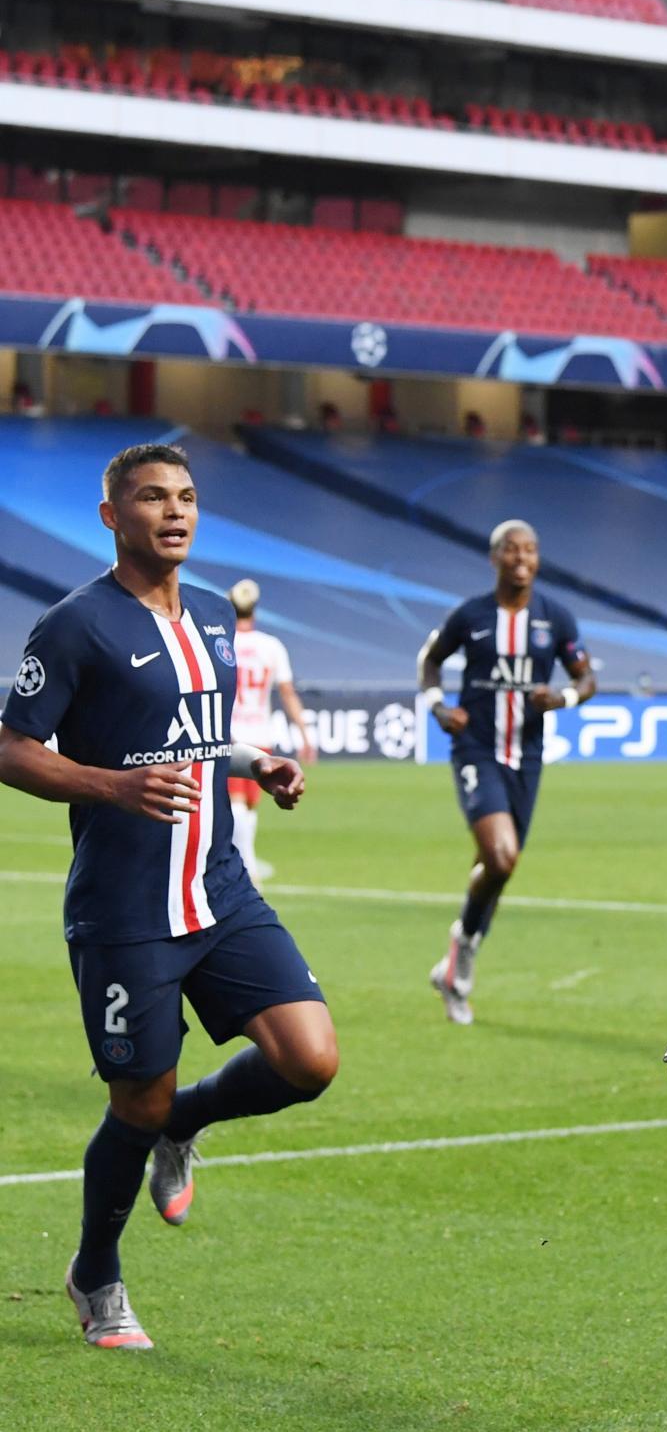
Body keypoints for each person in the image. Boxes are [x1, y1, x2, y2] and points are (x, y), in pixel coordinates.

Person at [0, 443, 334, 1349]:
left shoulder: (219, 617)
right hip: (125, 909)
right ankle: (95, 1273)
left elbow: (195, 733)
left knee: (310, 1059)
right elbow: (11, 746)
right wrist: (113, 787)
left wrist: (253, 759)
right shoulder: (75, 624)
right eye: (152, 497)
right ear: (112, 515)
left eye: (186, 496)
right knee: (133, 1104)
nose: (174, 511)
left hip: (218, 888)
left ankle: (185, 1123)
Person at [417, 519, 595, 1025]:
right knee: (501, 856)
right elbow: (429, 660)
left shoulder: (554, 618)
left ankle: (453, 967)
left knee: (496, 871)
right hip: (476, 748)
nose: (522, 558)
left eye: (531, 550)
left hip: (528, 757)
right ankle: (464, 957)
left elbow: (587, 679)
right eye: (512, 550)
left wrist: (560, 696)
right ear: (494, 558)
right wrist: (437, 706)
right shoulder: (471, 616)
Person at [224, 578, 315, 883]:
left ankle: (245, 864)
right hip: (260, 734)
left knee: (237, 806)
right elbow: (287, 693)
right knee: (248, 807)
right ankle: (247, 865)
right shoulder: (271, 646)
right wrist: (304, 733)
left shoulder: (221, 640)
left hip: (230, 733)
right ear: (255, 609)